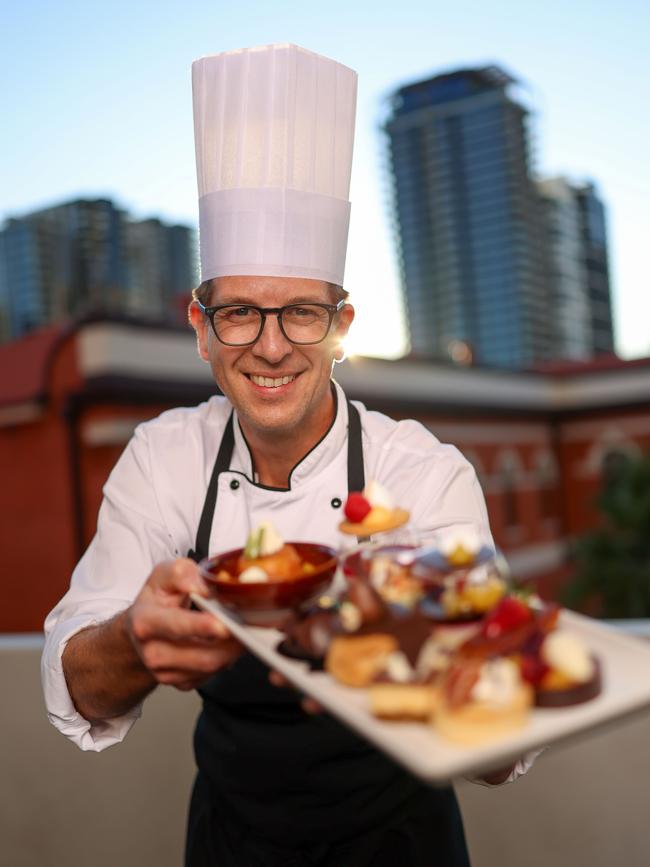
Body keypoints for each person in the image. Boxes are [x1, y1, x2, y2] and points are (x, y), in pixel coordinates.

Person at [42, 44, 535, 867]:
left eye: (302, 312)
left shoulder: (422, 475)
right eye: (239, 312)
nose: (271, 347)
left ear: (343, 327)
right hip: (233, 845)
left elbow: (501, 748)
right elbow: (74, 683)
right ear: (200, 329)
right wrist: (134, 638)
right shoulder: (165, 459)